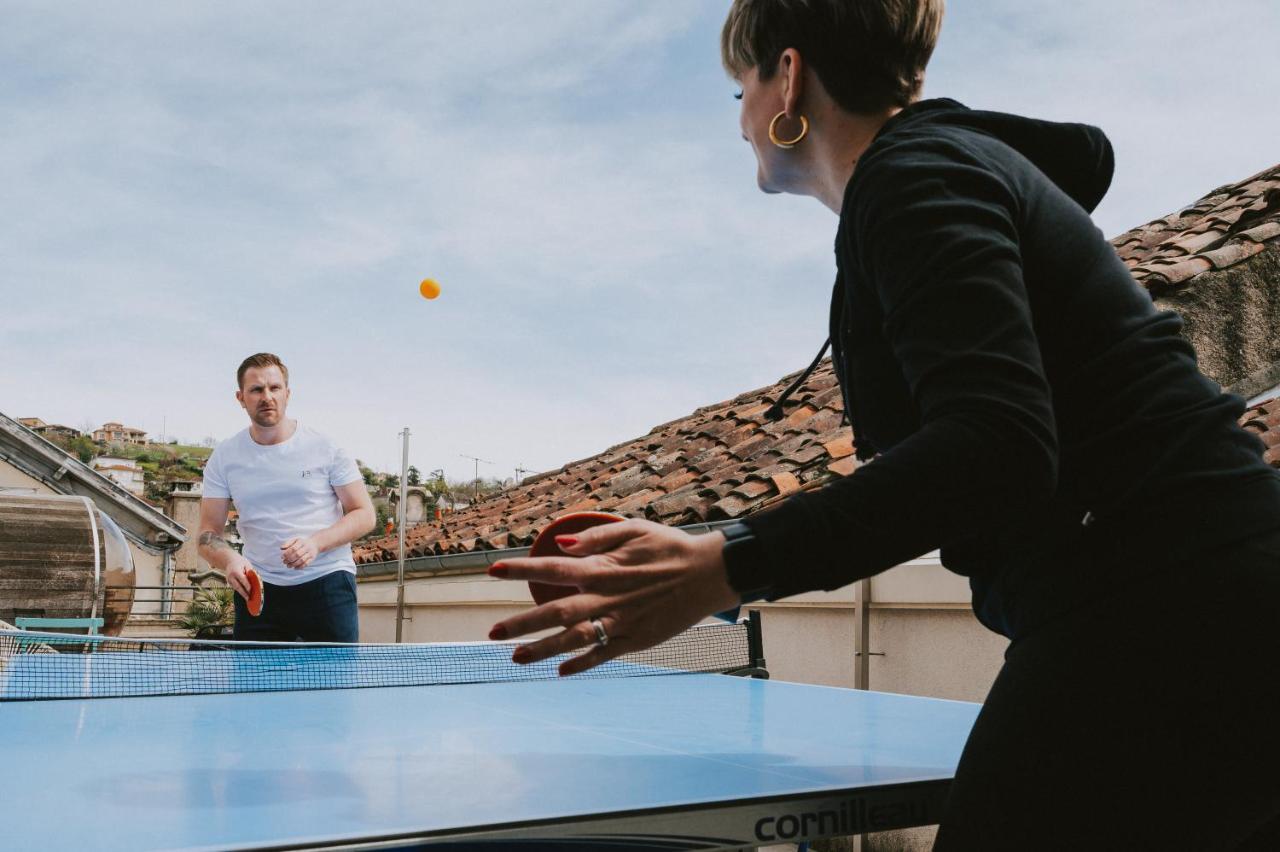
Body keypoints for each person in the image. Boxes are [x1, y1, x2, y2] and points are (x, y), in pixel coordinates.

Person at [487, 1, 1280, 848]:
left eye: (738, 88)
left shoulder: (915, 177)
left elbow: (997, 447)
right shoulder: (942, 173)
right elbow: (962, 454)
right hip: (1207, 600)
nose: (741, 119)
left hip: (1167, 609)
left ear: (787, 77)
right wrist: (725, 545)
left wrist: (727, 565)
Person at [198, 353, 375, 642]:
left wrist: (315, 544)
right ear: (241, 397)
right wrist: (230, 560)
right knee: (256, 687)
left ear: (287, 394)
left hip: (327, 582)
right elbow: (207, 534)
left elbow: (365, 514)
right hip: (259, 589)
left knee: (335, 686)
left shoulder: (325, 446)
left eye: (274, 388)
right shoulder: (225, 457)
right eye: (256, 389)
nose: (267, 396)